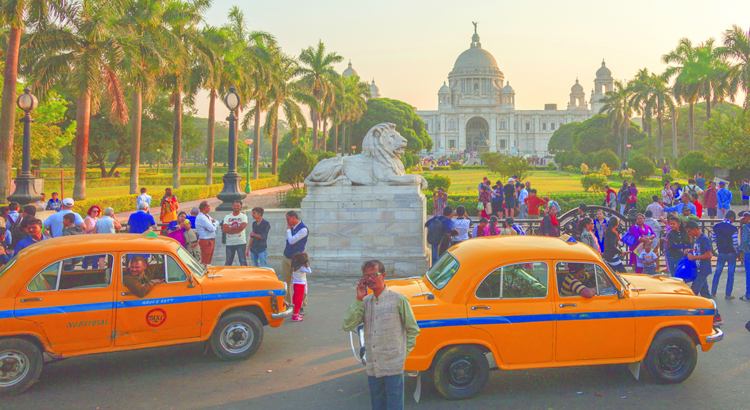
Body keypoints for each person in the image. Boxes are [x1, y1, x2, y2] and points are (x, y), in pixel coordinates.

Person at [342, 260, 420, 410]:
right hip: (374, 366)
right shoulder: (364, 302)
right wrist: (358, 299)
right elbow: (347, 325)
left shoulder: (398, 299)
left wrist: (402, 355)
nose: (370, 279)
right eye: (366, 276)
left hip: (393, 366)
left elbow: (413, 330)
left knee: (394, 406)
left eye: (373, 275)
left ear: (383, 276)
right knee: (377, 406)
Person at [283, 211, 309, 315]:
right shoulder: (292, 228)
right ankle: (288, 304)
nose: (287, 222)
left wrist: (288, 231)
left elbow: (292, 241)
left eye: (288, 219)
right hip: (287, 257)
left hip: (297, 260)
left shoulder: (303, 229)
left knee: (300, 283)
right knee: (286, 283)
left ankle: (302, 305)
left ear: (294, 217)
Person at [711, 211, 739, 299]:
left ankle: (713, 291)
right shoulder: (733, 228)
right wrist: (737, 253)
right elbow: (735, 243)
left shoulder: (716, 227)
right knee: (731, 273)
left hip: (721, 252)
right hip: (731, 253)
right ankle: (728, 294)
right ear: (732, 218)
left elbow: (713, 239)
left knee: (718, 272)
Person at [684, 220, 712, 298]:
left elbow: (709, 255)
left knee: (694, 290)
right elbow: (699, 250)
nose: (688, 233)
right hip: (699, 268)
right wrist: (690, 250)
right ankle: (711, 307)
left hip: (703, 269)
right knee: (704, 292)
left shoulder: (704, 238)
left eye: (689, 231)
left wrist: (694, 257)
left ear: (695, 229)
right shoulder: (697, 238)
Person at [222, 201, 248, 266]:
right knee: (228, 262)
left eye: (238, 206)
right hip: (230, 243)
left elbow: (242, 227)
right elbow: (224, 229)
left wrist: (230, 229)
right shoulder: (227, 216)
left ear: (240, 207)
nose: (235, 207)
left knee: (242, 262)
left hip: (240, 242)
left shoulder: (243, 216)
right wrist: (237, 229)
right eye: (234, 206)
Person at [290, 252, 310, 322]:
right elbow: (309, 271)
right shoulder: (301, 268)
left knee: (295, 298)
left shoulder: (294, 266)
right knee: (299, 300)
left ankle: (295, 314)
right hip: (300, 284)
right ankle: (295, 315)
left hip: (295, 283)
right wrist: (307, 266)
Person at [737, 211, 750, 301]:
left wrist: (740, 250)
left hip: (748, 252)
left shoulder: (747, 227)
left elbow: (744, 240)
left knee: (749, 274)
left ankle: (748, 294)